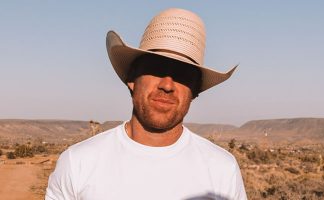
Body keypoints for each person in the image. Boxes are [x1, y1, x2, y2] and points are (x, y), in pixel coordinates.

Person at [45, 8, 247, 200]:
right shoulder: (78, 163)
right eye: (157, 68)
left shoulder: (221, 169)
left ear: (194, 91)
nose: (167, 85)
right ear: (131, 79)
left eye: (183, 74)